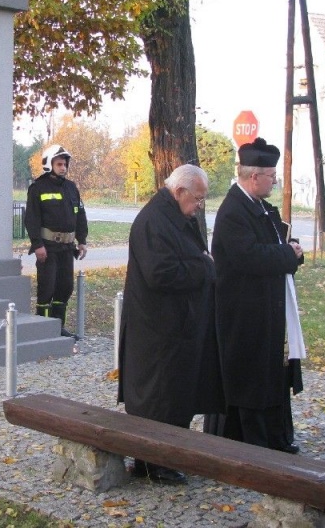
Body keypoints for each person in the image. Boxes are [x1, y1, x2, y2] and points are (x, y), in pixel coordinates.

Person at [118, 164, 224, 484]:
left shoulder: (175, 216)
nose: (199, 206)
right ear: (179, 192)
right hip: (157, 332)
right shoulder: (153, 221)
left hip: (176, 328)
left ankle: (165, 457)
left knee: (176, 394)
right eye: (197, 199)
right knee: (159, 398)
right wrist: (205, 269)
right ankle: (153, 462)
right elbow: (160, 273)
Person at [205, 137, 306, 454]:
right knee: (250, 380)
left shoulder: (262, 208)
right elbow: (250, 258)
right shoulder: (234, 211)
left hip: (268, 309)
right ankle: (252, 444)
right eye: (271, 176)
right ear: (253, 176)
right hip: (244, 313)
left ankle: (274, 436)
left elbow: (275, 247)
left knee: (272, 375)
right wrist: (288, 255)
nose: (275, 181)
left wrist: (293, 253)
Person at [24, 144, 88, 338]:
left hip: (67, 249)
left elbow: (80, 214)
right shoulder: (38, 188)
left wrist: (82, 241)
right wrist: (38, 245)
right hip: (48, 248)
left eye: (65, 164)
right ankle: (42, 331)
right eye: (59, 164)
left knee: (65, 287)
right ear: (48, 164)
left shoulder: (71, 188)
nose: (63, 167)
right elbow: (31, 219)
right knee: (47, 289)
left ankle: (58, 328)